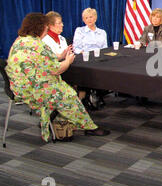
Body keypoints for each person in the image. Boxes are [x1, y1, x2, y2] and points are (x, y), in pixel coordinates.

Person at [5, 13, 110, 142]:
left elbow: (39, 62)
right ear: (40, 28)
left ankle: (54, 116)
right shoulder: (40, 46)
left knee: (63, 88)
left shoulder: (19, 41)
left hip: (16, 87)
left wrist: (60, 56)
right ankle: (89, 126)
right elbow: (57, 69)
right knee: (69, 94)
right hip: (33, 90)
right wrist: (68, 61)